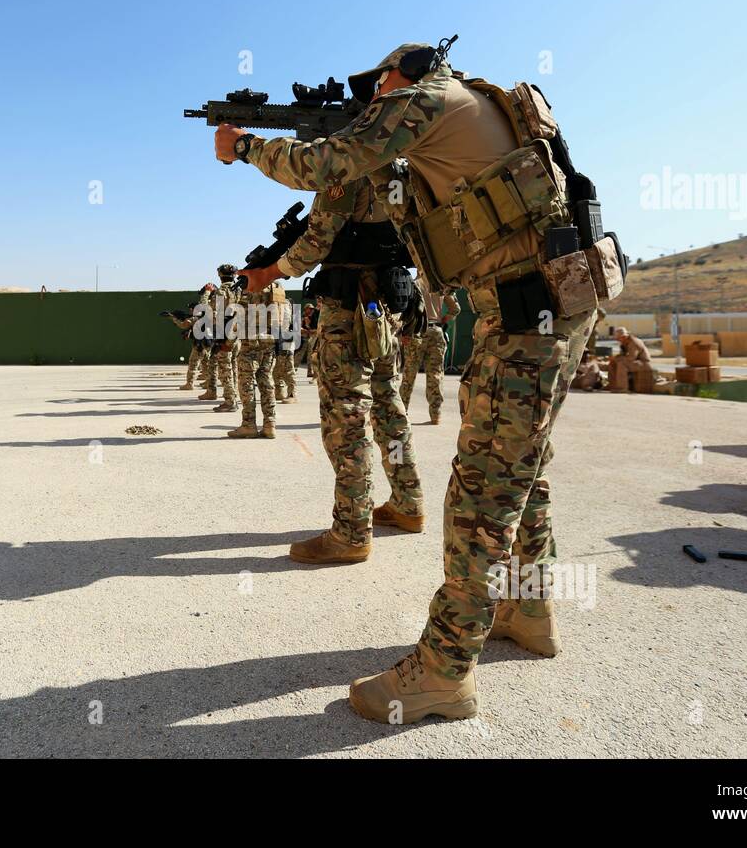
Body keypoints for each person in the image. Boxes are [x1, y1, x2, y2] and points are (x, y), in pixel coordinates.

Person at [221, 40, 597, 722]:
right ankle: (529, 609)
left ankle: (444, 673)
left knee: (481, 493)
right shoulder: (478, 107)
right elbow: (375, 186)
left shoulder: (426, 101)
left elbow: (328, 164)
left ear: (410, 75)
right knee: (522, 474)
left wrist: (244, 146)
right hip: (554, 302)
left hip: (525, 314)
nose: (374, 98)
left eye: (380, 84)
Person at [229, 177, 425, 563]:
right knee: (388, 405)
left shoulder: (351, 168)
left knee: (345, 415)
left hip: (350, 305)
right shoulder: (405, 169)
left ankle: (351, 532)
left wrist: (269, 272)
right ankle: (408, 503)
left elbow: (315, 243)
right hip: (391, 301)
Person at [399, 278, 462, 424]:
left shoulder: (413, 284)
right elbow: (456, 308)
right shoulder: (440, 284)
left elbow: (405, 309)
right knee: (436, 374)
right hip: (436, 330)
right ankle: (436, 415)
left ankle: (402, 413)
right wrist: (446, 318)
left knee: (409, 373)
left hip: (417, 331)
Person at [228, 283, 279, 438]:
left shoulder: (250, 286)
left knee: (246, 384)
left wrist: (229, 341)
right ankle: (270, 425)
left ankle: (248, 424)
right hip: (269, 341)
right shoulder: (276, 288)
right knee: (267, 383)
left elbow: (238, 316)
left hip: (250, 342)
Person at [211, 265, 241, 412]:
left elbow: (214, 313)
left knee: (225, 368)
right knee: (234, 365)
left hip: (226, 332)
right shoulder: (241, 289)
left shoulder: (221, 291)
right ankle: (235, 396)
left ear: (220, 275)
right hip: (239, 333)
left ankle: (230, 401)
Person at [272, 285, 299, 403]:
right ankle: (279, 392)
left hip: (286, 337)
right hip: (276, 337)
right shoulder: (272, 304)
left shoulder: (288, 303)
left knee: (288, 367)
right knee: (275, 367)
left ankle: (292, 394)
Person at [609, 327, 653, 392]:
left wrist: (617, 359)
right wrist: (614, 359)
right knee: (612, 364)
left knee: (621, 364)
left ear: (624, 337)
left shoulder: (634, 342)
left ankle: (623, 388)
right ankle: (613, 385)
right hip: (634, 362)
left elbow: (631, 358)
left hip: (643, 363)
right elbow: (622, 355)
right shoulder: (624, 343)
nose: (618, 340)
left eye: (619, 338)